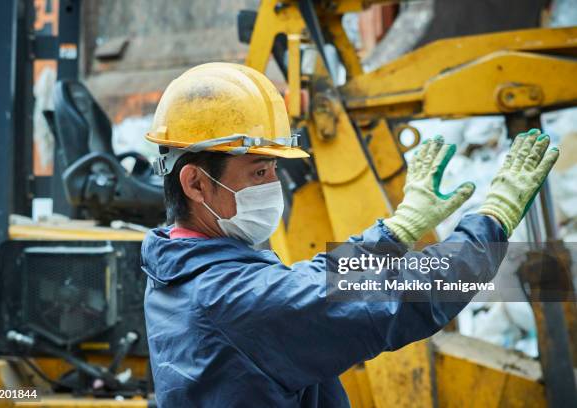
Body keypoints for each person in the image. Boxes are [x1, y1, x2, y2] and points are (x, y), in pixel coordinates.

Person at [141, 62, 559, 407]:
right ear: (195, 184)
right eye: (258, 172)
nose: (273, 186)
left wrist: (397, 232)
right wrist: (493, 219)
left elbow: (311, 282)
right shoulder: (235, 300)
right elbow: (406, 295)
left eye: (273, 170)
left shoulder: (177, 270)